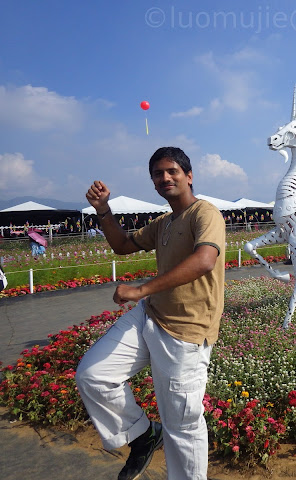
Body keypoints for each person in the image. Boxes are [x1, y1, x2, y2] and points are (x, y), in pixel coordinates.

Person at [75, 147, 225, 480]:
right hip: (150, 315)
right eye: (158, 173)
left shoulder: (206, 213)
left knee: (182, 426)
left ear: (189, 175)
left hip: (185, 332)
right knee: (93, 376)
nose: (165, 177)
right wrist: (103, 210)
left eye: (172, 171)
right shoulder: (164, 223)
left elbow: (205, 260)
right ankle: (143, 435)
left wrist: (141, 289)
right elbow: (122, 245)